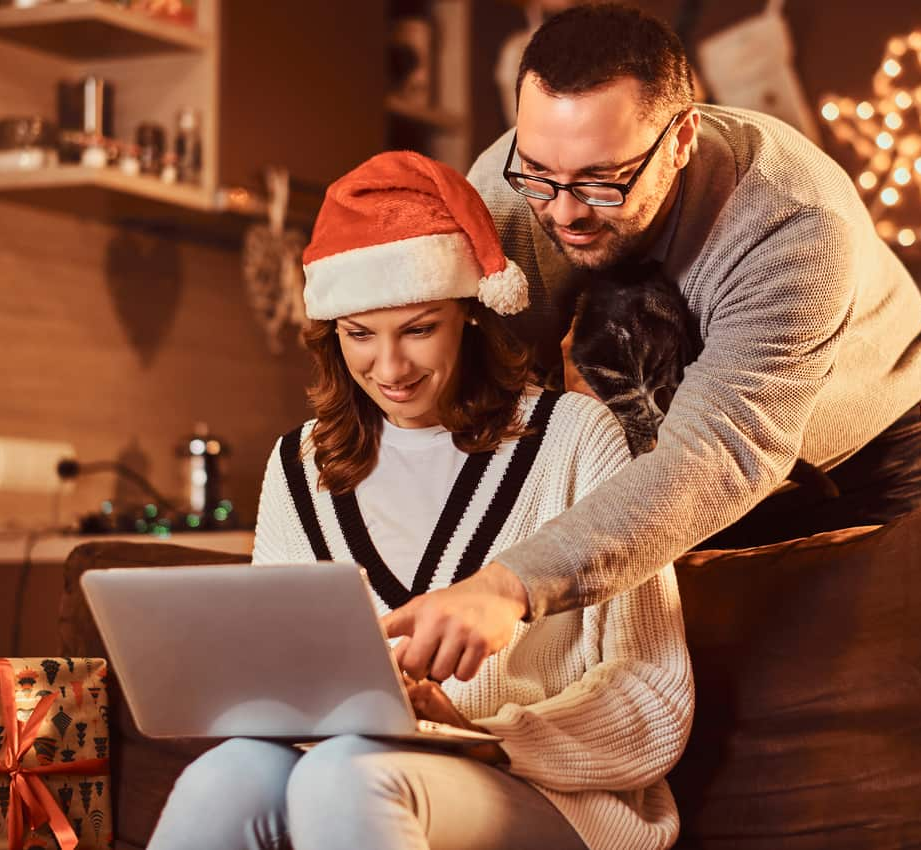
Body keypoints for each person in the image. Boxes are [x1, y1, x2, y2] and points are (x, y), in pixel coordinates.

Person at [384, 2, 921, 683]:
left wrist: (510, 585)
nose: (564, 211)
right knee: (674, 701)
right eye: (537, 172)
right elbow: (466, 391)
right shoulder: (504, 192)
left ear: (681, 139)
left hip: (848, 464)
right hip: (647, 464)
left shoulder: (793, 220)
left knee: (859, 702)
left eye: (602, 179)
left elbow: (721, 453)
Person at [146, 151, 693, 850]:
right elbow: (286, 674)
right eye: (359, 336)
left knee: (347, 773)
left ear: (469, 314)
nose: (391, 368)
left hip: (553, 797)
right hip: (356, 768)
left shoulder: (575, 438)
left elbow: (654, 697)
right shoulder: (300, 465)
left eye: (418, 328)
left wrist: (480, 736)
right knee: (226, 774)